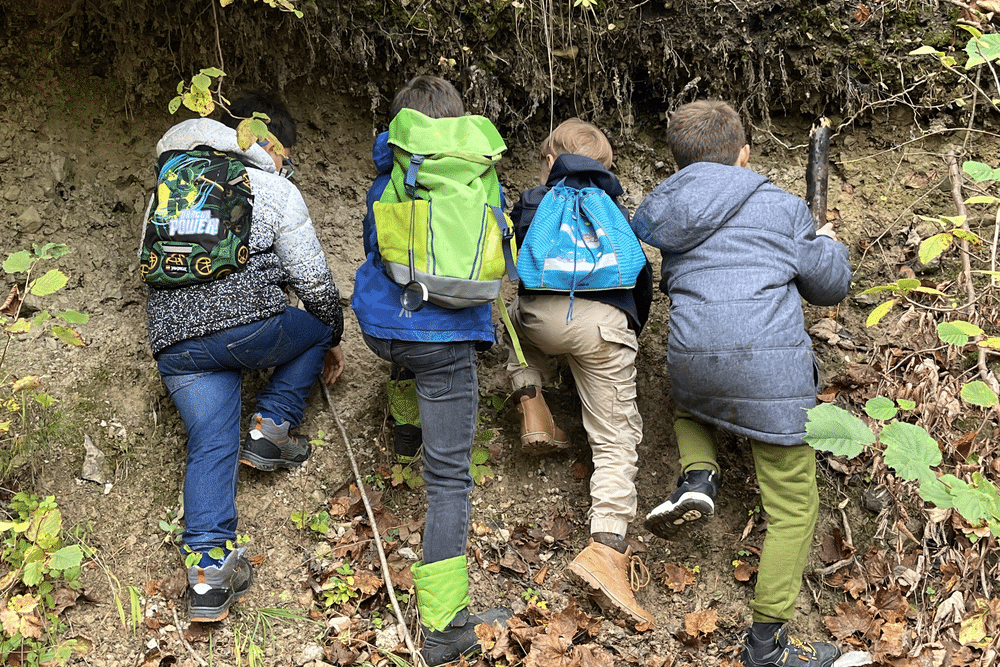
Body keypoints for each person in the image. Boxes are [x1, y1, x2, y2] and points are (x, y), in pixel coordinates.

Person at [632, 100, 851, 666]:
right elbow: (828, 287)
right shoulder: (780, 207)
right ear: (744, 155)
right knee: (794, 506)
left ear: (677, 160)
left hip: (693, 361)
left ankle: (699, 474)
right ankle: (766, 647)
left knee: (688, 401)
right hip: (767, 369)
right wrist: (825, 241)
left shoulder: (667, 212)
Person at [141, 91, 345, 622]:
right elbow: (315, 282)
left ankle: (207, 579)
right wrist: (331, 334)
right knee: (322, 319)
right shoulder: (272, 188)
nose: (288, 162)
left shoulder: (168, 189)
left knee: (209, 444)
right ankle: (271, 428)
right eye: (287, 152)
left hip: (175, 347)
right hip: (245, 331)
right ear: (267, 142)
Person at [351, 75, 511, 666]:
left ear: (401, 125)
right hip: (447, 339)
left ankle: (403, 431)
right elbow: (494, 254)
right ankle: (445, 627)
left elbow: (377, 246)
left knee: (406, 356)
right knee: (449, 480)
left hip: (384, 329)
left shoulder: (388, 176)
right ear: (458, 120)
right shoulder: (479, 173)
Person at [502, 118, 655, 628]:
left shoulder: (531, 202)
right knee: (615, 436)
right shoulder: (614, 210)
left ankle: (532, 400)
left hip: (539, 319)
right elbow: (640, 279)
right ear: (604, 167)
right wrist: (629, 330)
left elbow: (515, 265)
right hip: (602, 327)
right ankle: (607, 547)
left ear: (550, 160)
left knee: (519, 322)